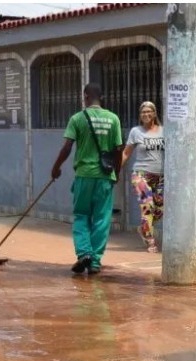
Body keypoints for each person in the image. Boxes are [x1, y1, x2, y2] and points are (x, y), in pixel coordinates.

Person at [51, 83, 123, 275]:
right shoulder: (113, 119)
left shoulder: (77, 119)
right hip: (105, 176)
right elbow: (119, 150)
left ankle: (84, 253)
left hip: (84, 175)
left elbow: (67, 148)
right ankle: (95, 262)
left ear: (85, 97)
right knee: (102, 219)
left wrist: (56, 168)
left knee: (82, 215)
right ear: (102, 97)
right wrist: (117, 173)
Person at [121, 101, 164, 253]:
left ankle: (143, 228)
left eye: (148, 112)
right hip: (141, 174)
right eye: (142, 112)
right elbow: (126, 152)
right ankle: (150, 241)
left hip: (160, 176)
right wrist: (115, 170)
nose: (146, 114)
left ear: (154, 113)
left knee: (159, 210)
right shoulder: (135, 132)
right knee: (148, 206)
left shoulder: (164, 131)